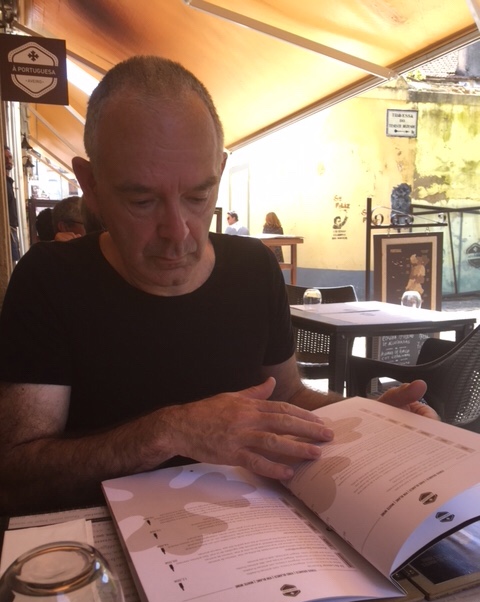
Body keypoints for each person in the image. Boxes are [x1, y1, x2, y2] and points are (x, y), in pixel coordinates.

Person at [0, 56, 435, 515]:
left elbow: (286, 397)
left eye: (198, 196)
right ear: (90, 184)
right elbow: (15, 478)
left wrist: (369, 420)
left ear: (220, 171)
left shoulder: (253, 268)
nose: (178, 232)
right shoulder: (50, 280)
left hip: (252, 532)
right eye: (142, 201)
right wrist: (166, 431)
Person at [4, 146, 20, 263]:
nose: (8, 160)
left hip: (12, 229)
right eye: (5, 158)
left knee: (13, 262)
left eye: (9, 157)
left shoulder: (8, 181)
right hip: (7, 229)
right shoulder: (4, 182)